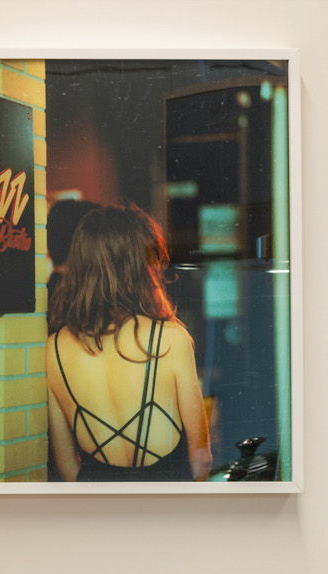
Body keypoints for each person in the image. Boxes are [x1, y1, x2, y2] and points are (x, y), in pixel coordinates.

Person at [45, 204, 211, 482]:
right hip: (166, 508)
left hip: (97, 512)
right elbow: (201, 459)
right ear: (139, 265)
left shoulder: (54, 348)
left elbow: (67, 468)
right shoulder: (171, 339)